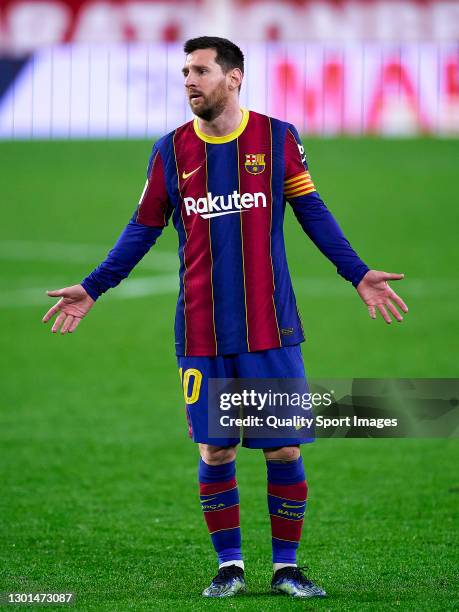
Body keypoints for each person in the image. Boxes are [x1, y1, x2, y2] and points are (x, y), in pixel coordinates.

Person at [42, 36, 408, 599]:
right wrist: (93, 287)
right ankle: (229, 566)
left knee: (284, 447)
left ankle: (287, 568)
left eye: (201, 71)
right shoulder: (170, 153)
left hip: (272, 330)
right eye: (185, 71)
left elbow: (311, 210)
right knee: (217, 449)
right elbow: (141, 229)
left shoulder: (277, 138)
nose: (189, 80)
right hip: (202, 333)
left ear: (234, 78)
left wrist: (357, 273)